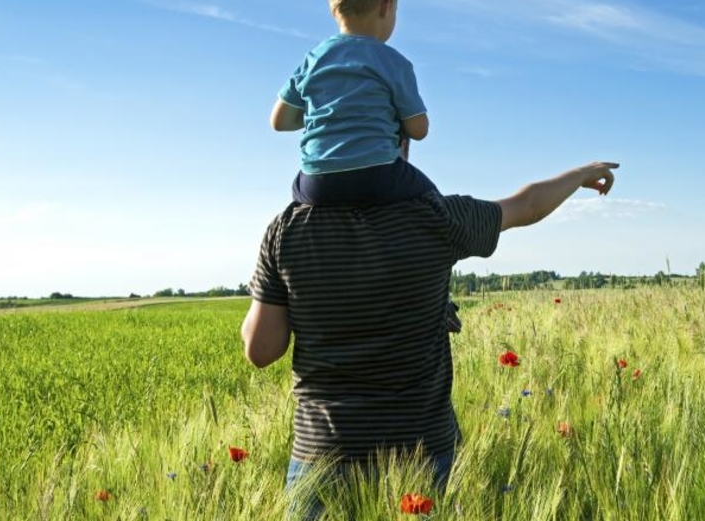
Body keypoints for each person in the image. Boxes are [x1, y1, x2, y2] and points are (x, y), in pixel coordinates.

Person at [241, 161, 619, 520]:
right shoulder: (433, 215)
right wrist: (580, 174)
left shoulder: (286, 229)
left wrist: (264, 292)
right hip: (424, 453)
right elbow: (528, 204)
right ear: (399, 145)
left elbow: (260, 350)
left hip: (323, 456)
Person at [271, 0, 435, 207]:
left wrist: (329, 110)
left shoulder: (314, 59)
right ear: (386, 6)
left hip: (317, 184)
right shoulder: (394, 62)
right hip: (378, 176)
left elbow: (279, 122)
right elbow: (419, 130)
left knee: (299, 187)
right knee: (433, 200)